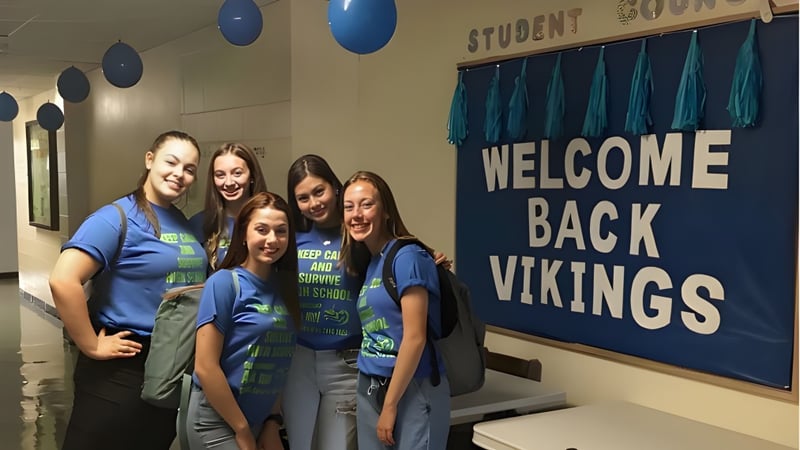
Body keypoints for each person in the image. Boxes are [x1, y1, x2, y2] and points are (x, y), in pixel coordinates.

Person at [49, 130, 208, 450]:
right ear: (150, 160)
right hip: (119, 368)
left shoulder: (180, 220)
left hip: (167, 366)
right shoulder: (115, 217)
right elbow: (63, 280)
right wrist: (91, 345)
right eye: (171, 162)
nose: (179, 174)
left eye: (189, 169)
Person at [340, 171, 450, 450]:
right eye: (349, 206)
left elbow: (415, 338)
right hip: (371, 383)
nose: (357, 214)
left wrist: (390, 406)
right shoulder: (372, 261)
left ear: (386, 211)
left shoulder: (408, 257)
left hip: (413, 387)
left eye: (367, 204)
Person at [187, 192, 301, 450]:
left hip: (259, 421)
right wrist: (241, 430)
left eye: (281, 231)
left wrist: (272, 423)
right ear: (244, 233)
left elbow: (276, 362)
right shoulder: (225, 283)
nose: (272, 239)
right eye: (262, 229)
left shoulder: (285, 290)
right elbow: (205, 367)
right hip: (216, 420)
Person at [282, 155, 363, 450]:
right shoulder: (292, 238)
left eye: (319, 191)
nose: (313, 203)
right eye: (303, 198)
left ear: (335, 187)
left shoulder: (357, 233)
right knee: (300, 444)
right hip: (298, 359)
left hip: (346, 363)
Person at [190, 142, 268, 270]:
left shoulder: (270, 220)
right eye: (220, 175)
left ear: (252, 176)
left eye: (237, 173)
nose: (229, 182)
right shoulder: (199, 223)